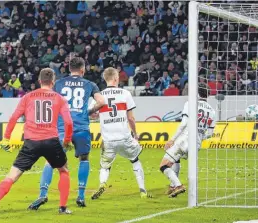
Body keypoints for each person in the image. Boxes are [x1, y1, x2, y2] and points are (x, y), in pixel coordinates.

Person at [0, 68, 74, 217]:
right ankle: (62, 208)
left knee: (13, 175)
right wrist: (67, 140)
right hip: (51, 141)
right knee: (63, 170)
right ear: (53, 82)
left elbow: (14, 117)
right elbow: (68, 123)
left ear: (39, 80)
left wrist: (6, 137)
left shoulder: (28, 97)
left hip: (31, 142)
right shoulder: (59, 98)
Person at [29, 57, 107, 209]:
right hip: (81, 128)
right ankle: (81, 196)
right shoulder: (89, 84)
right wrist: (89, 111)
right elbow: (102, 101)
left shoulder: (58, 83)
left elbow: (48, 102)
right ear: (83, 69)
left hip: (61, 128)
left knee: (50, 161)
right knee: (84, 159)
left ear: (69, 69)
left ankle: (43, 194)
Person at [88, 67, 149, 199]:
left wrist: (99, 116)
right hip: (124, 137)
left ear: (105, 79)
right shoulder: (125, 93)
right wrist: (135, 134)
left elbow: (92, 114)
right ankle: (142, 190)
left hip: (108, 140)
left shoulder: (99, 95)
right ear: (116, 78)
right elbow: (131, 118)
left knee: (105, 165)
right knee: (135, 159)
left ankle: (102, 183)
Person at [160, 83, 216, 198]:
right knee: (176, 160)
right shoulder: (212, 111)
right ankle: (172, 186)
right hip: (197, 143)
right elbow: (210, 134)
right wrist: (199, 136)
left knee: (163, 165)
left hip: (185, 138)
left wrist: (172, 140)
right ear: (208, 95)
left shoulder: (190, 103)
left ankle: (178, 185)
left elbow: (184, 124)